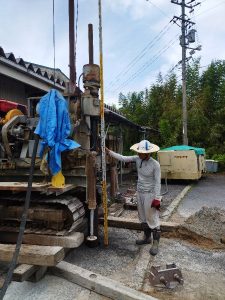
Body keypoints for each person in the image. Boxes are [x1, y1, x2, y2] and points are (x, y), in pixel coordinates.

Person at [106, 140, 161, 256]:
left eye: (141, 152)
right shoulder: (137, 159)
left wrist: (157, 198)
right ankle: (147, 238)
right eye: (138, 152)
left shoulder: (155, 164)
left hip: (150, 194)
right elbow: (123, 158)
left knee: (152, 217)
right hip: (140, 192)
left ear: (148, 153)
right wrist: (109, 152)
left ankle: (155, 243)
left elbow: (157, 182)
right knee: (142, 217)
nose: (139, 154)